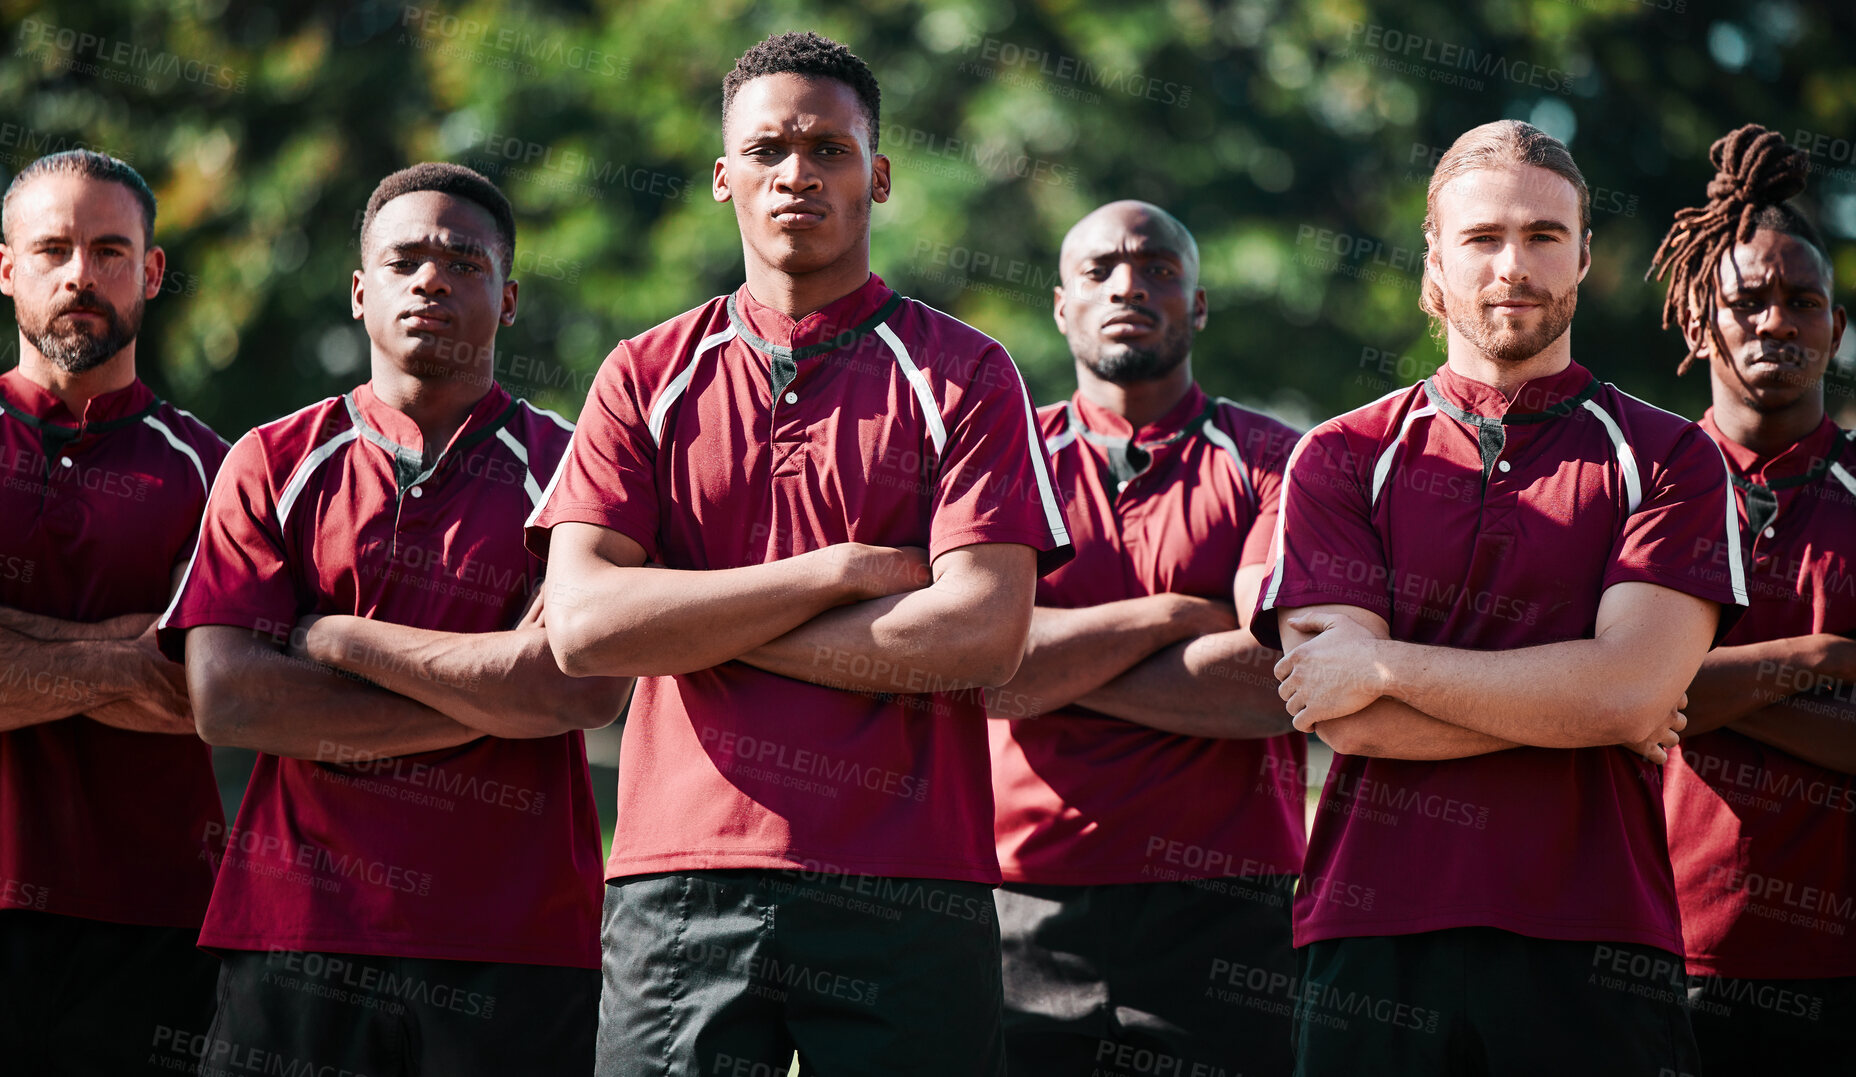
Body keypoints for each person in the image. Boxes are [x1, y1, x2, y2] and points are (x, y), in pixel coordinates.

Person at [528, 31, 1070, 1077]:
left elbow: (982, 635)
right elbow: (588, 627)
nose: (797, 173)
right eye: (768, 148)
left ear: (880, 173)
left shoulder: (964, 372)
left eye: (828, 148)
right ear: (723, 175)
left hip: (910, 878)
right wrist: (831, 573)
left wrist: (686, 621)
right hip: (677, 874)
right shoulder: (645, 373)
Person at [1254, 119, 1746, 1075]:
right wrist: (1586, 700)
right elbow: (1347, 721)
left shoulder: (1671, 456)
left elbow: (1630, 696)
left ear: (1585, 256)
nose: (1512, 266)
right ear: (1433, 260)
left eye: (1542, 236)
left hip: (1597, 934)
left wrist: (1388, 664)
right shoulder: (1339, 454)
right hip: (1371, 928)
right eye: (1481, 238)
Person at [157, 162, 630, 1077]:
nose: (431, 279)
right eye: (404, 258)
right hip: (296, 931)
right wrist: (494, 695)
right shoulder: (272, 459)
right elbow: (228, 700)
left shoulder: (573, 470)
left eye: (464, 260)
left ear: (510, 296)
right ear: (359, 290)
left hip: (516, 942)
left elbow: (583, 687)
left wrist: (335, 641)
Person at [985, 199, 1302, 1076]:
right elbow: (975, 668)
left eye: (1160, 267)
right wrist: (1176, 616)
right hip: (1017, 904)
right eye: (1100, 269)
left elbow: (1279, 684)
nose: (1131, 284)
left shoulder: (1279, 461)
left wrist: (1039, 659)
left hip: (1229, 916)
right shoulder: (1001, 459)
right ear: (1060, 304)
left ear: (1198, 305)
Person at [0, 149, 229, 1075]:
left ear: (153, 271)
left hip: (154, 922)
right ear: (7, 267)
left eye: (109, 251)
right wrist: (133, 649)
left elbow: (208, 690)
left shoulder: (220, 471)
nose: (80, 276)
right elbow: (161, 669)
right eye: (52, 249)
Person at [1647, 123, 1856, 1074]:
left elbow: (1655, 693)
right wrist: (1815, 662)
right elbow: (1617, 697)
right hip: (1644, 952)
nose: (1777, 322)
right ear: (1699, 321)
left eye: (1803, 302)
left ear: (1836, 329)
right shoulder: (1631, 486)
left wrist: (1692, 692)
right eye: (1748, 301)